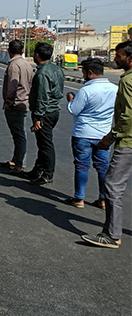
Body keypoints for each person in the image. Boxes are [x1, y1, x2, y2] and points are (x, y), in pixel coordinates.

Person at [82, 41, 132, 248]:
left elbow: (127, 116)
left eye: (119, 55)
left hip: (128, 141)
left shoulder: (127, 81)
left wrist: (110, 138)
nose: (115, 59)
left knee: (112, 186)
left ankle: (112, 235)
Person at [64, 58, 117, 208]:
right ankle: (103, 199)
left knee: (82, 166)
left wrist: (70, 100)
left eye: (83, 73)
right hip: (103, 134)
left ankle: (79, 198)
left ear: (90, 72)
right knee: (103, 167)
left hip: (83, 133)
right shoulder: (114, 89)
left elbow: (74, 110)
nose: (83, 76)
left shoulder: (86, 90)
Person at [27, 42, 65, 185]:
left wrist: (38, 117)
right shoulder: (57, 69)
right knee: (42, 143)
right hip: (54, 110)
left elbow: (42, 97)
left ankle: (48, 174)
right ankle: (38, 169)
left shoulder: (42, 74)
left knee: (46, 145)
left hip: (45, 113)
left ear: (37, 55)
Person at [0, 39, 34, 174]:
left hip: (16, 103)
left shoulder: (14, 66)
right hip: (24, 102)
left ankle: (20, 164)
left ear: (9, 51)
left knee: (19, 135)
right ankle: (16, 160)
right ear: (22, 51)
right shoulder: (27, 65)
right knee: (18, 134)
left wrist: (8, 102)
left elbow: (12, 87)